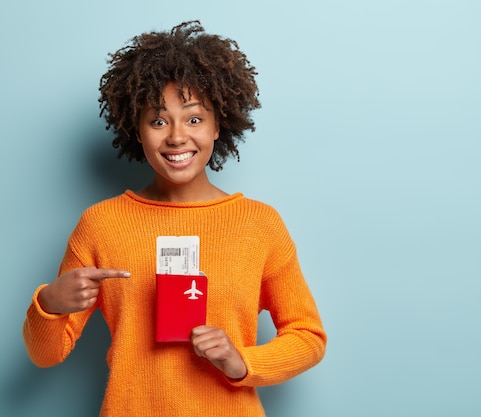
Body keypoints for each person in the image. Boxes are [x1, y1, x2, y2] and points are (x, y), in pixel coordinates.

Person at [23, 20, 326, 417]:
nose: (177, 137)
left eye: (195, 119)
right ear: (138, 129)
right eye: (159, 120)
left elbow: (308, 336)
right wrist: (48, 303)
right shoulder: (101, 224)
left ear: (219, 125)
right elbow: (46, 355)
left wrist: (243, 363)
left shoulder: (259, 224)